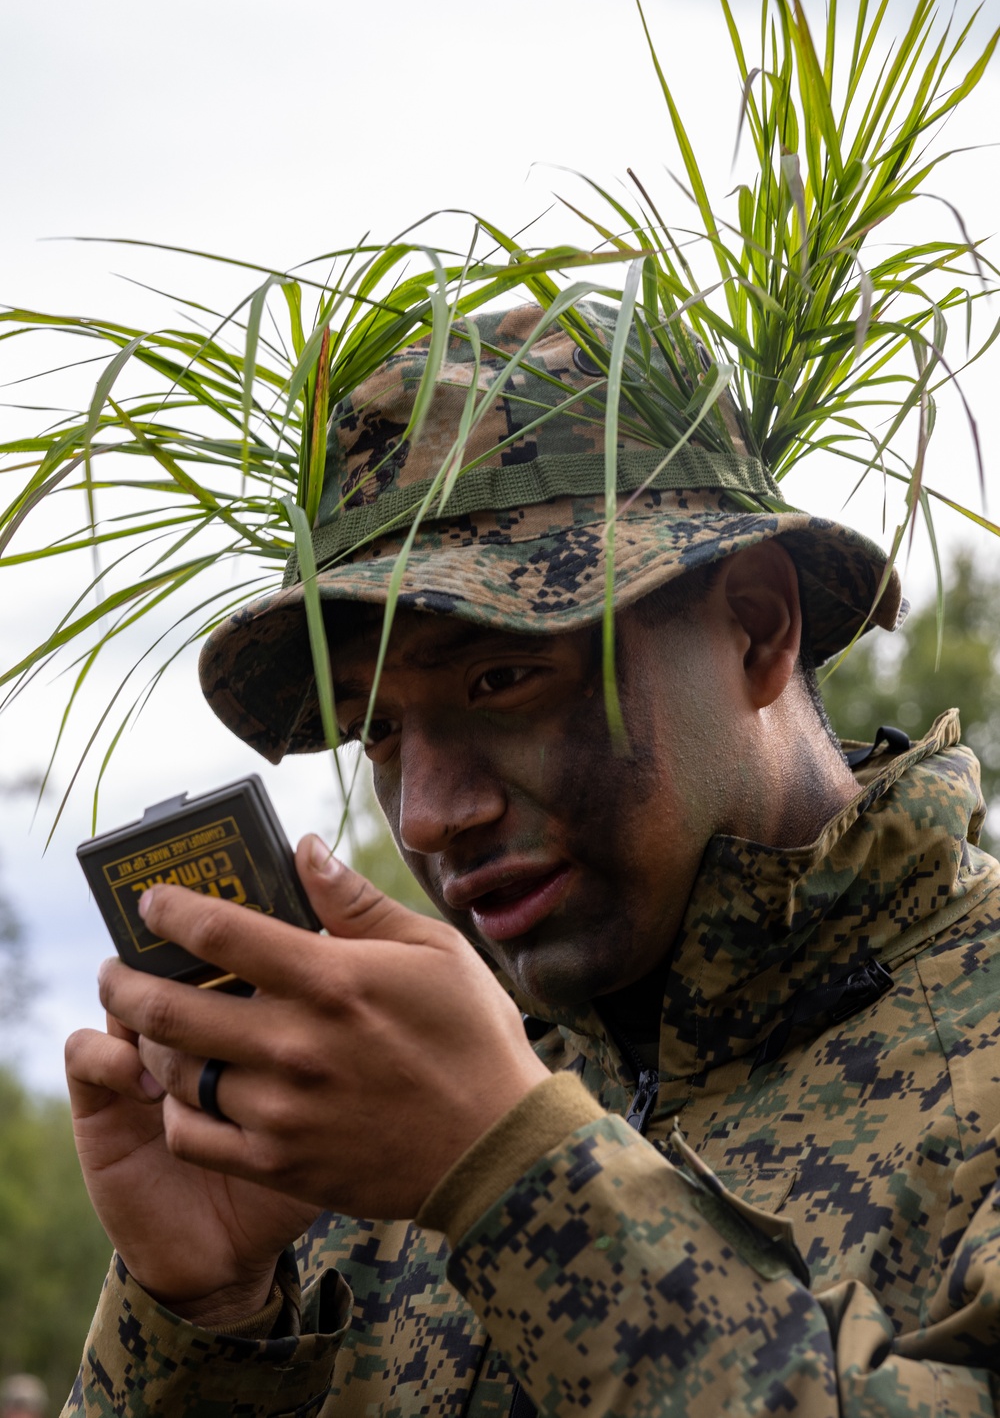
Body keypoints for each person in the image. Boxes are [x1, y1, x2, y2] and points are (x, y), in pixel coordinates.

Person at [63, 304, 1000, 1416]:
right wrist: (206, 1321)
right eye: (378, 727)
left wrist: (511, 1173)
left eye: (499, 682)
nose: (426, 815)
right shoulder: (371, 1142)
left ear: (755, 629)